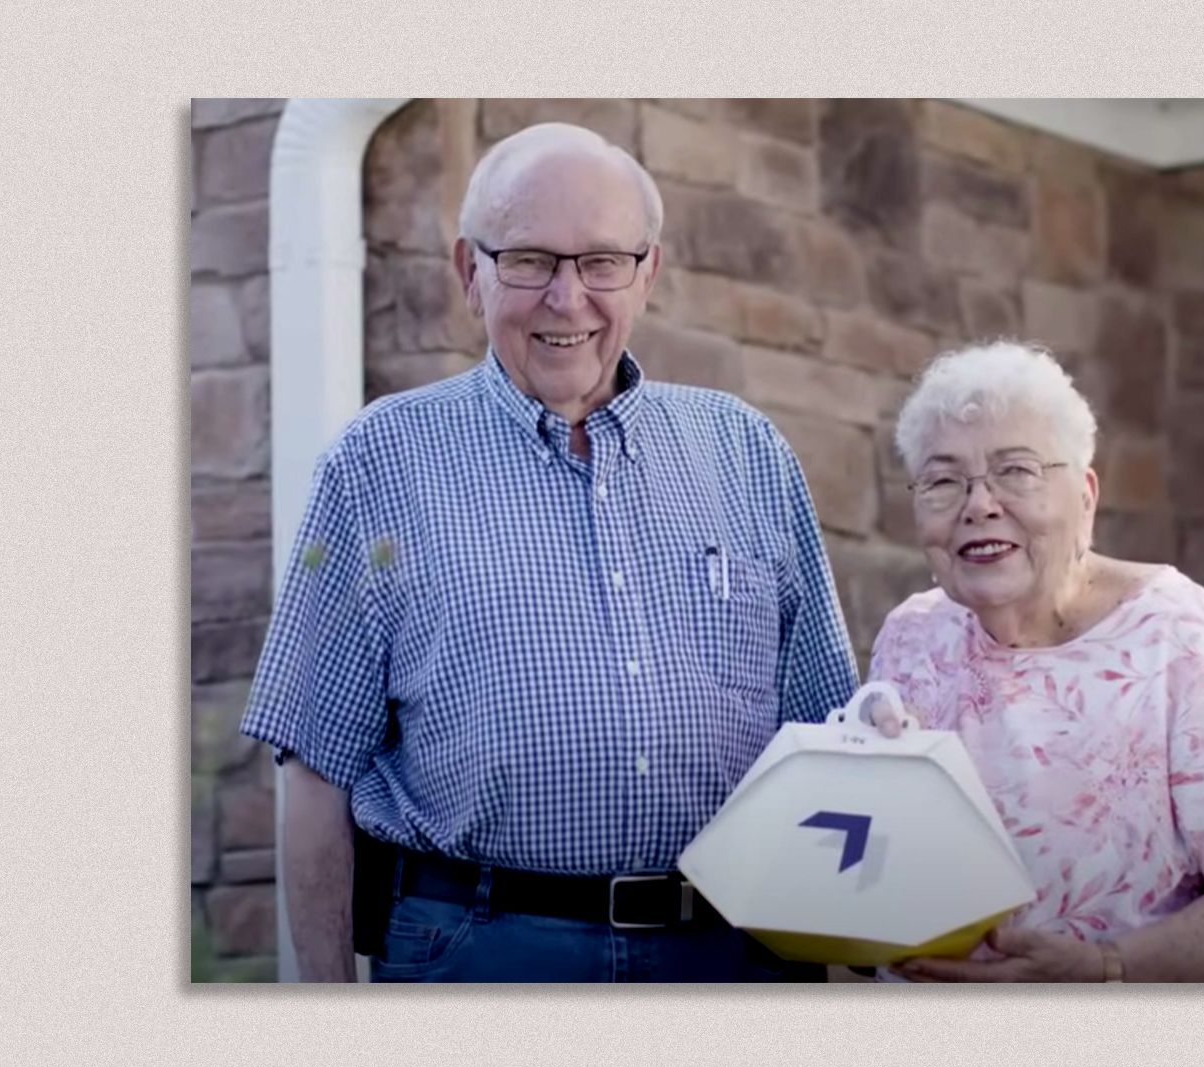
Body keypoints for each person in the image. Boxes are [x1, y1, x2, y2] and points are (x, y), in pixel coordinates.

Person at [239, 122, 858, 982]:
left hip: (735, 951)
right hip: (483, 948)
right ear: (470, 271)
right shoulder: (379, 461)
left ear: (649, 272)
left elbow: (831, 732)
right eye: (530, 260)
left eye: (603, 262)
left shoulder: (745, 450)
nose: (568, 300)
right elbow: (313, 761)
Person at [864, 340, 1204, 982]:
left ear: (1085, 496)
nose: (979, 505)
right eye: (943, 481)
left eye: (1017, 471)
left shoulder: (1175, 635)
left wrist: (1103, 972)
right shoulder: (912, 638)